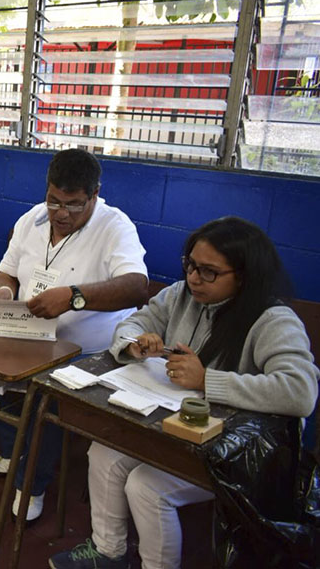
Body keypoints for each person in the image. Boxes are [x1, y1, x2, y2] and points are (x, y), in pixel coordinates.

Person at [48, 216, 319, 569]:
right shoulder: (180, 295)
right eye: (191, 265)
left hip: (233, 455)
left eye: (209, 272)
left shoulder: (272, 320)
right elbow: (132, 323)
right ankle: (108, 552)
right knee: (104, 453)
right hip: (173, 433)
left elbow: (300, 392)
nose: (193, 278)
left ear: (244, 275)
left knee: (147, 486)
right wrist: (134, 344)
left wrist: (208, 380)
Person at [0, 148, 149, 521]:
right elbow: (4, 272)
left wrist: (74, 298)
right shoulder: (32, 220)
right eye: (54, 201)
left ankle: (30, 482)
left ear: (95, 195)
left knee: (46, 397)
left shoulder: (115, 226)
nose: (61, 214)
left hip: (88, 354)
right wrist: (6, 291)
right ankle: (16, 448)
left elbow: (137, 287)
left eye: (73, 205)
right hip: (28, 338)